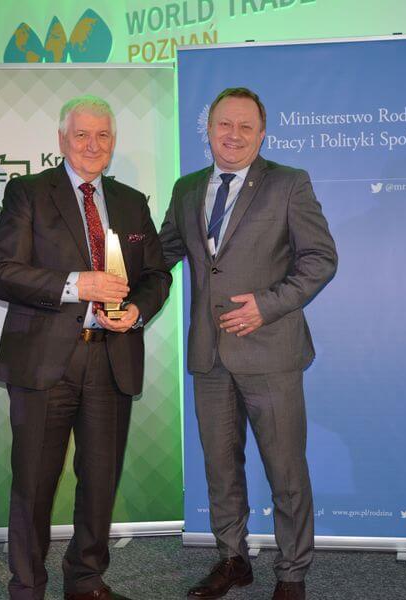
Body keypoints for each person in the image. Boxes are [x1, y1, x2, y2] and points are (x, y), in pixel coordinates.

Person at [0, 95, 171, 600]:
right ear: (62, 140)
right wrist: (76, 285)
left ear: (114, 142)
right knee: (33, 483)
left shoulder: (131, 201)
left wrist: (137, 310)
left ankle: (86, 580)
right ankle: (28, 586)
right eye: (82, 134)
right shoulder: (28, 192)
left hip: (112, 358)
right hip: (44, 361)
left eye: (102, 135)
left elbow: (156, 274)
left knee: (100, 481)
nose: (93, 144)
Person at [159, 88, 337, 600]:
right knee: (220, 468)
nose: (232, 135)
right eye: (223, 124)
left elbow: (320, 259)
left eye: (245, 126)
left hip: (271, 351)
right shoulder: (186, 188)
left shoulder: (288, 183)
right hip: (208, 354)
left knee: (286, 469)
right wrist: (109, 267)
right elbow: (162, 254)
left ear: (261, 134)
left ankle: (292, 572)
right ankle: (232, 559)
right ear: (209, 129)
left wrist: (267, 304)